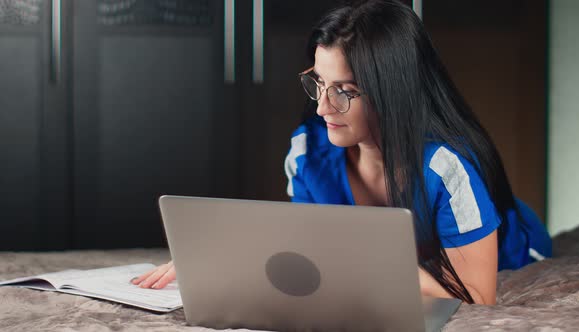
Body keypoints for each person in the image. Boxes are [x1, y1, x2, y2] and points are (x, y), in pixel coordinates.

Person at [131, 0, 551, 305]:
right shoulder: (307, 154)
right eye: (318, 84)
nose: (322, 108)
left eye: (345, 92)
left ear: (393, 92)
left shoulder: (448, 170)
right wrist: (224, 261)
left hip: (515, 249)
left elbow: (477, 294)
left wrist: (368, 269)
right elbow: (308, 248)